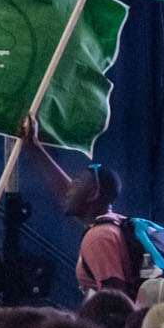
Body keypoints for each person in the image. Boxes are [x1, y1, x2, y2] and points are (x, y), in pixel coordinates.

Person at [16, 122, 142, 298]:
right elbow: (61, 191)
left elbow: (114, 303)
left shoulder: (99, 237)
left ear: (92, 195)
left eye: (76, 183)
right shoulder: (113, 223)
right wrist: (35, 147)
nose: (68, 190)